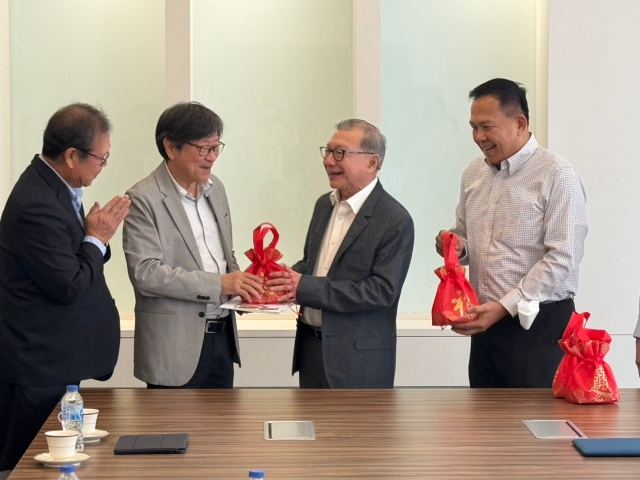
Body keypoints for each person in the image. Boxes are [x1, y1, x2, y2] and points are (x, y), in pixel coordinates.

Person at [0, 103, 129, 474]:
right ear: (72, 156)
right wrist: (97, 238)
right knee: (29, 467)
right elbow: (68, 284)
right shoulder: (36, 204)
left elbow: (70, 258)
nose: (103, 167)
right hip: (38, 368)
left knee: (60, 464)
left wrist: (93, 239)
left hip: (56, 360)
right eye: (101, 158)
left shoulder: (56, 187)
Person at [435, 78, 588, 388]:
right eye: (473, 127)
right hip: (486, 325)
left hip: (539, 325)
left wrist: (505, 306)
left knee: (535, 417)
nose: (479, 137)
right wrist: (456, 245)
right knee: (485, 416)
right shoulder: (473, 174)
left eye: (487, 127)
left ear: (520, 123)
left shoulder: (557, 174)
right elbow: (466, 237)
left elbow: (564, 257)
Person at [122, 102, 263, 389]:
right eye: (203, 149)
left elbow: (224, 256)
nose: (212, 157)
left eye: (216, 148)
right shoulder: (143, 198)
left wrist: (246, 286)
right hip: (173, 348)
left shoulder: (216, 188)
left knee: (222, 421)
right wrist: (220, 284)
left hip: (222, 339)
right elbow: (145, 273)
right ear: (171, 148)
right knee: (172, 421)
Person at [268, 119, 414, 388]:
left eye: (340, 153)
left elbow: (381, 292)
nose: (328, 161)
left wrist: (303, 286)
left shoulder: (395, 219)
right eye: (327, 151)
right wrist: (278, 278)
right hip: (311, 352)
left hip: (358, 362)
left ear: (372, 162)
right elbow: (313, 265)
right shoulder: (324, 205)